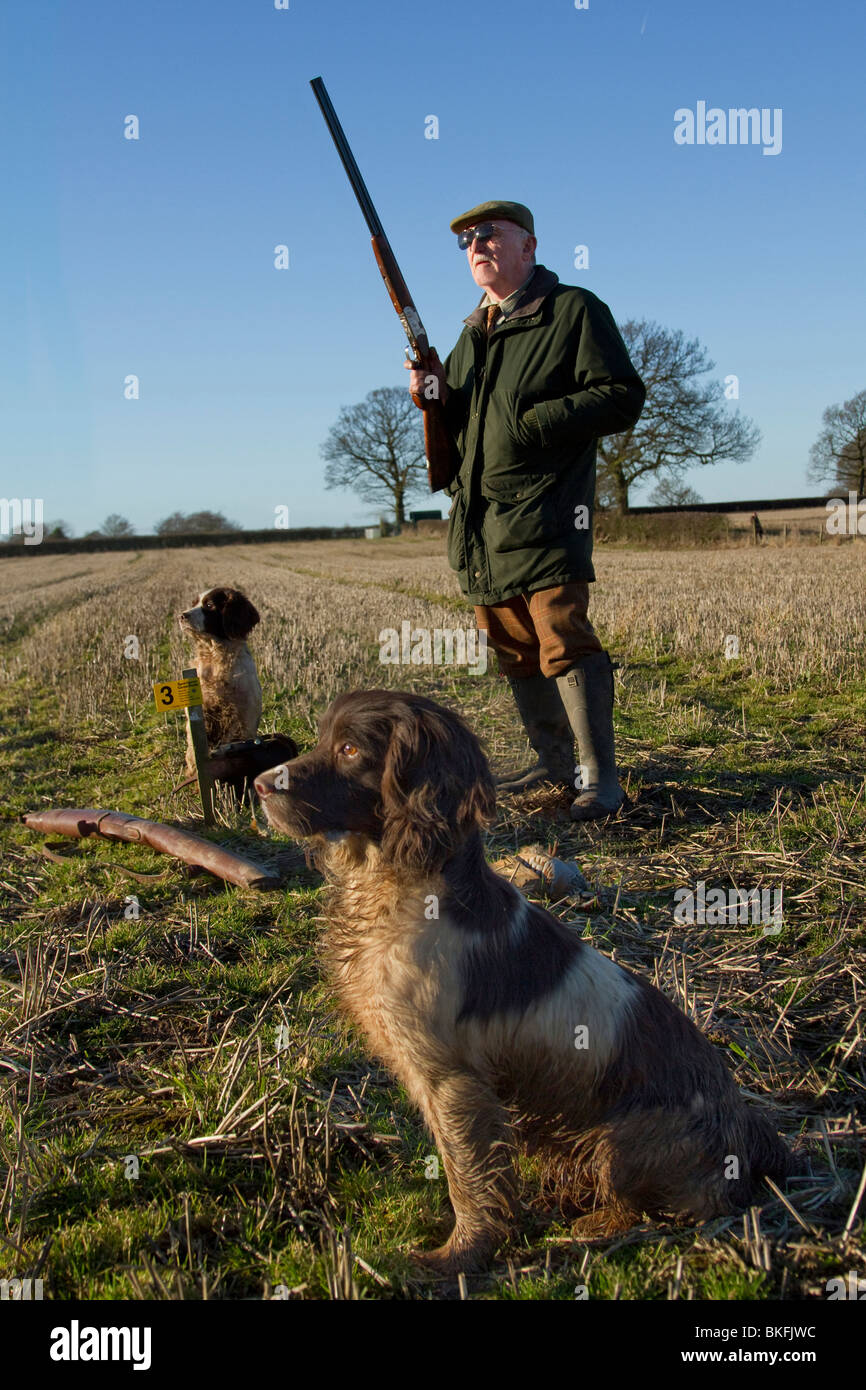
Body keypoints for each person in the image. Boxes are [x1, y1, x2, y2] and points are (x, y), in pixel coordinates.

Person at [406, 201, 646, 820]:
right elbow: (459, 425)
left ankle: (599, 779)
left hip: (547, 514)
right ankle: (554, 763)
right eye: (465, 241)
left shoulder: (573, 311)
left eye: (490, 235)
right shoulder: (471, 333)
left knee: (563, 640)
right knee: (514, 649)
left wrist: (532, 421)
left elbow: (621, 396)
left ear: (529, 246)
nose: (476, 246)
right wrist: (432, 395)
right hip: (483, 524)